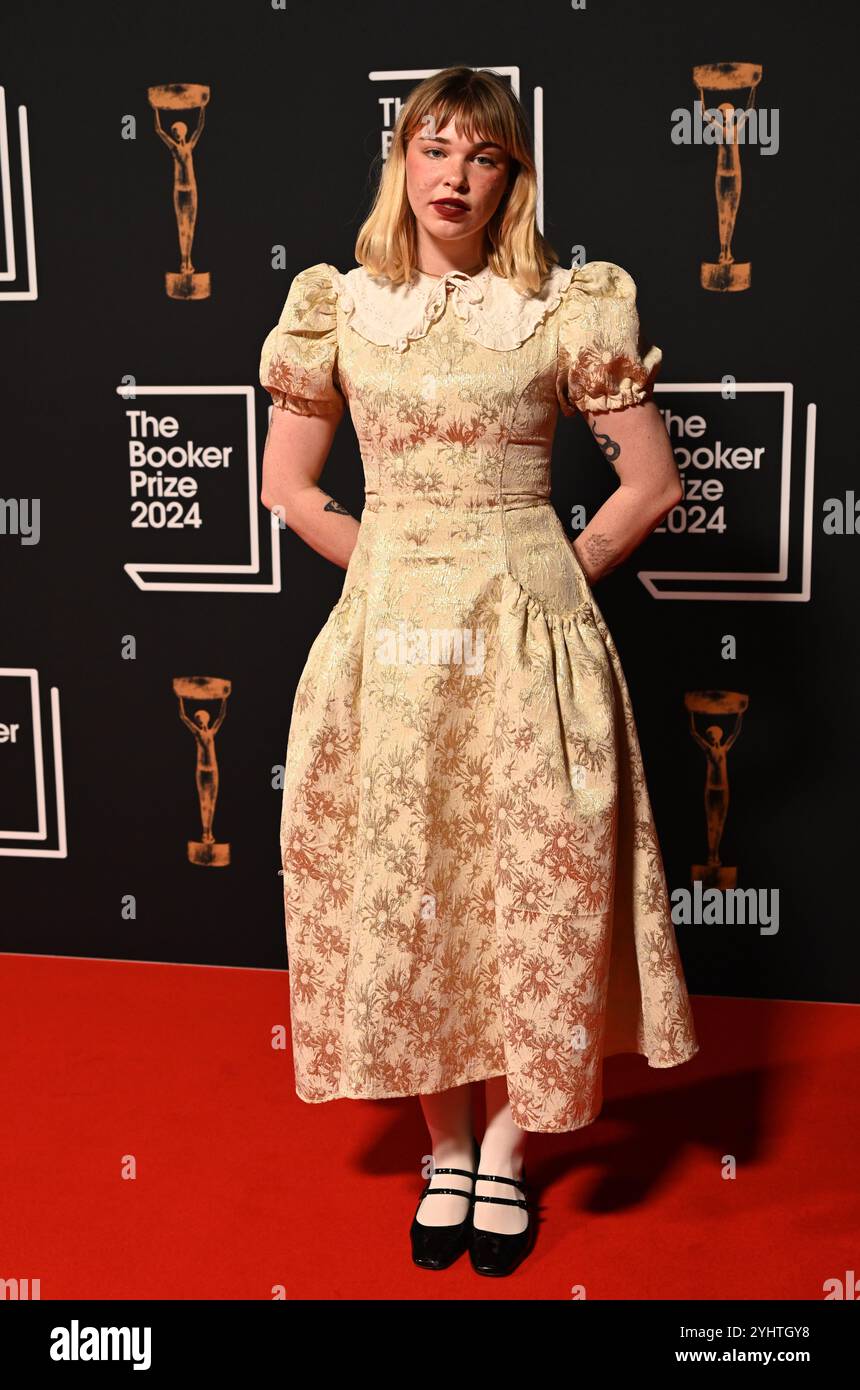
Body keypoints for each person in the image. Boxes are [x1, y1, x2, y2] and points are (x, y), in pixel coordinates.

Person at [259, 65, 698, 1278]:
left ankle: (508, 1144)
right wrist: (390, 570)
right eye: (432, 147)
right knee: (417, 890)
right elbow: (287, 487)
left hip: (525, 646)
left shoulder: (568, 304)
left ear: (513, 175)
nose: (452, 175)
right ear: (400, 160)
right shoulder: (336, 306)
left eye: (482, 156)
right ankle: (442, 1140)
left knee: (534, 891)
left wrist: (548, 572)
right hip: (392, 652)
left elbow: (646, 483)